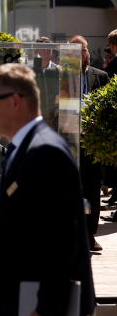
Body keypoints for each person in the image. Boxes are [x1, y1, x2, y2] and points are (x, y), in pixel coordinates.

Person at [0, 64, 95, 316]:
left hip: (41, 313)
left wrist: (50, 310)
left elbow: (60, 238)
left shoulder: (45, 151)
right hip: (27, 306)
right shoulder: (25, 147)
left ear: (15, 101)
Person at [69, 35, 109, 251]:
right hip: (67, 142)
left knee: (92, 191)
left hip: (92, 143)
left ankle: (90, 236)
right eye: (74, 50)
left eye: (82, 50)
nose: (79, 54)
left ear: (87, 52)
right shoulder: (60, 76)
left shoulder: (101, 76)